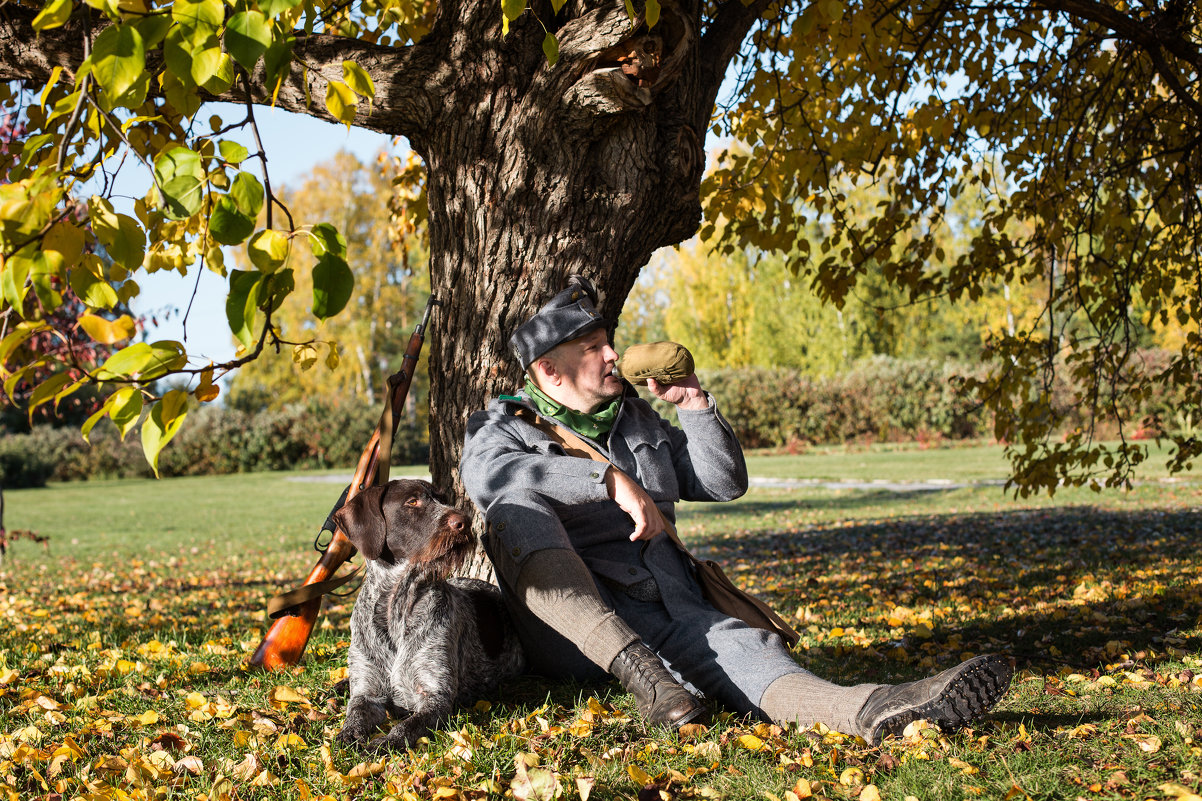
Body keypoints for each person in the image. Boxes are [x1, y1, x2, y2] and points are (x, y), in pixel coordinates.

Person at [459, 275, 1011, 742]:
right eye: (592, 349)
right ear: (550, 372)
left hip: (672, 611)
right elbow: (487, 479)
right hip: (578, 633)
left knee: (753, 654)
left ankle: (878, 710)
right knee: (514, 509)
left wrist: (694, 406)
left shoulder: (636, 418)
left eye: (609, 342)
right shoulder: (501, 429)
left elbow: (722, 483)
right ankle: (640, 672)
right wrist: (606, 479)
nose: (612, 355)